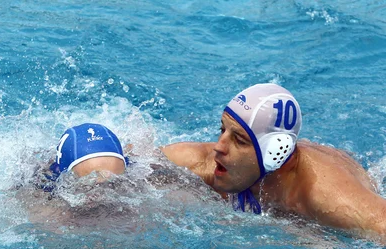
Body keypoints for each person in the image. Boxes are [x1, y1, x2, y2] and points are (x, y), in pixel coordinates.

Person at [161, 83, 386, 239]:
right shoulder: (204, 162)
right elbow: (135, 166)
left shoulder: (328, 197)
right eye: (222, 130)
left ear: (275, 152)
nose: (219, 147)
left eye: (239, 140)